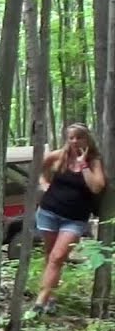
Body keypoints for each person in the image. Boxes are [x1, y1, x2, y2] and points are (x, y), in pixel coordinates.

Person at [31, 123, 106, 315]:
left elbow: (97, 187)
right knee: (50, 256)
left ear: (87, 139)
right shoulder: (59, 156)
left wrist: (83, 166)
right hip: (48, 212)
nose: (74, 141)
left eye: (79, 137)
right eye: (71, 137)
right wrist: (44, 183)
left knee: (57, 257)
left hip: (74, 220)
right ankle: (51, 297)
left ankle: (40, 302)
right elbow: (40, 168)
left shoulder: (94, 161)